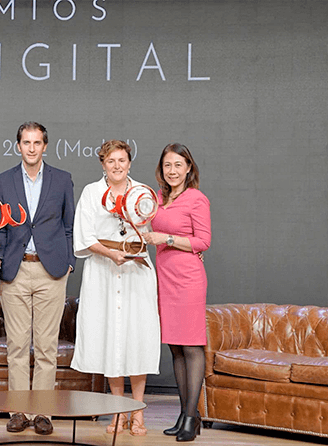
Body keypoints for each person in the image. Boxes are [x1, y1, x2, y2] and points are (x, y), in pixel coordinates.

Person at [70, 140, 160, 436]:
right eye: (111, 161)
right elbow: (84, 237)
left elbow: (148, 231)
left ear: (130, 163)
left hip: (136, 272)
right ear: (103, 164)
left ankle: (137, 413)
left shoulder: (143, 193)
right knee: (112, 339)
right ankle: (118, 413)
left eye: (122, 160)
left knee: (136, 338)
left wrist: (132, 248)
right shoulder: (91, 192)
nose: (117, 166)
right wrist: (110, 254)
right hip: (104, 271)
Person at [0, 122, 76, 436]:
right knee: (16, 346)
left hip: (50, 270)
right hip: (14, 269)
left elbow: (69, 226)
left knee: (45, 348)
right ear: (18, 146)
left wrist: (69, 263)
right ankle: (17, 412)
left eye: (37, 142)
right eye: (26, 142)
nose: (31, 148)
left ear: (44, 146)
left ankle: (42, 413)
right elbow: (0, 227)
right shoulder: (4, 180)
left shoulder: (62, 179)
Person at [143, 143, 211, 442]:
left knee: (192, 347)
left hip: (188, 279)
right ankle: (185, 415)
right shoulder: (157, 198)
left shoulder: (197, 198)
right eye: (168, 165)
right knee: (175, 346)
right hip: (164, 278)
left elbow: (203, 241)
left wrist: (167, 238)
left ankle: (190, 416)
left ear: (188, 169)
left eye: (178, 165)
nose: (173, 171)